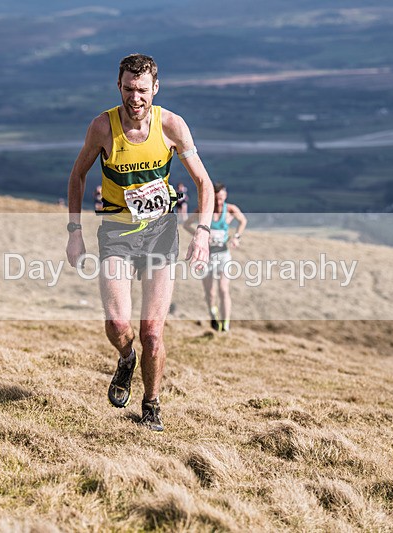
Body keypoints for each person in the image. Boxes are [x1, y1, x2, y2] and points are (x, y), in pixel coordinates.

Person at [65, 53, 214, 432]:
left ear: (156, 89)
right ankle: (125, 357)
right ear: (119, 87)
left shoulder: (171, 126)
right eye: (129, 89)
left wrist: (203, 233)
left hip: (160, 233)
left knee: (152, 331)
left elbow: (204, 184)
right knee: (118, 325)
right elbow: (77, 177)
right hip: (115, 233)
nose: (135, 98)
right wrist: (74, 232)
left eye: (142, 90)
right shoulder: (102, 127)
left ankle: (151, 404)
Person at [183, 182, 247, 333]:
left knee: (224, 289)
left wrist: (237, 237)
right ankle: (213, 314)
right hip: (207, 257)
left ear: (225, 197)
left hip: (224, 255)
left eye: (221, 199)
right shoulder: (204, 211)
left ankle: (225, 325)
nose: (219, 202)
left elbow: (243, 220)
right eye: (216, 199)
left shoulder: (230, 209)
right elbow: (186, 224)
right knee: (210, 292)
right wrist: (200, 236)